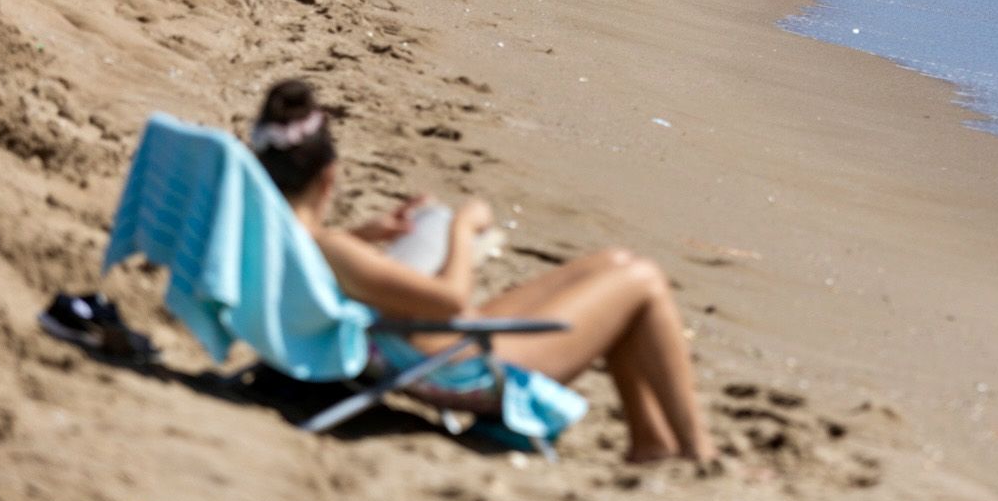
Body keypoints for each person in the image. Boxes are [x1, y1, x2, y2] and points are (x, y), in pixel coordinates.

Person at [250, 79, 716, 464]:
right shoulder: (329, 247)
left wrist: (368, 236)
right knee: (643, 280)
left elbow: (352, 274)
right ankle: (699, 452)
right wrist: (462, 228)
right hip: (459, 367)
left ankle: (652, 442)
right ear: (328, 176)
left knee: (614, 264)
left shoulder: (281, 239)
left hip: (428, 342)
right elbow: (451, 299)